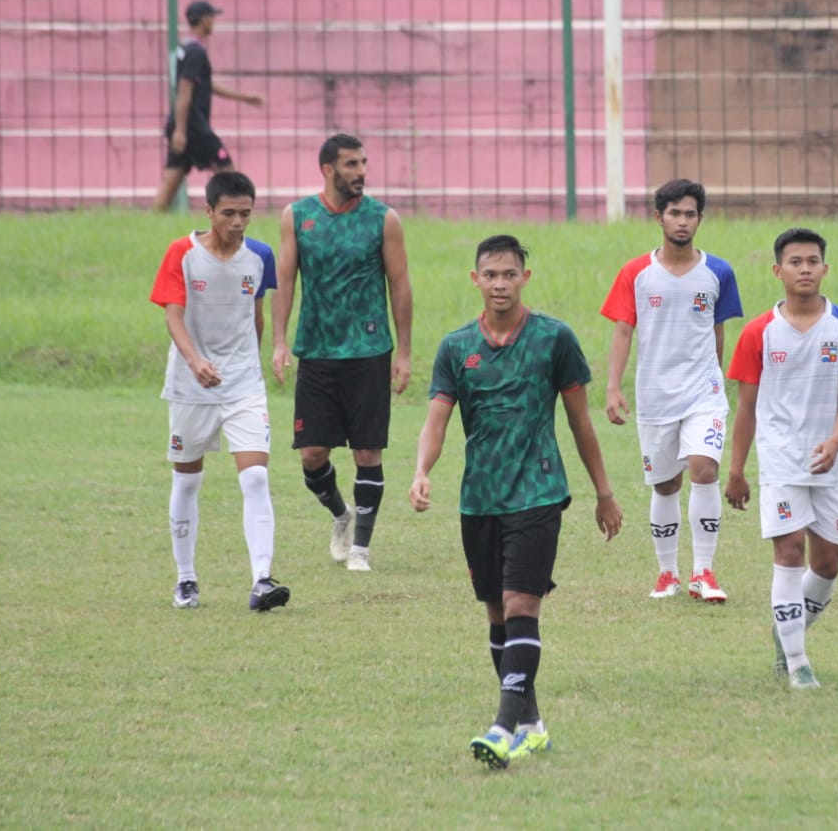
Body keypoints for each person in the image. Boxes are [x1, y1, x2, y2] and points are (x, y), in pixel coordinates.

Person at [409, 235, 623, 769]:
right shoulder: (456, 347)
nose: (500, 283)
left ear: (525, 278)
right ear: (475, 280)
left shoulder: (555, 339)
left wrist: (603, 493)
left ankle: (502, 730)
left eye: (509, 274)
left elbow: (580, 422)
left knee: (522, 606)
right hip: (479, 499)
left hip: (538, 492)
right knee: (497, 613)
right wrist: (421, 471)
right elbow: (436, 420)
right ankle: (532, 724)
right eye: (491, 274)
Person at [725, 227, 838, 689]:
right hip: (781, 461)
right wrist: (736, 471)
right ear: (778, 271)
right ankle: (797, 663)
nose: (805, 269)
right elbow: (747, 408)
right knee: (789, 550)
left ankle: (786, 628)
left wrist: (835, 442)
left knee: (827, 565)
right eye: (795, 262)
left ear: (825, 268)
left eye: (813, 261)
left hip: (833, 463)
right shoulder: (758, 332)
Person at [271, 133, 413, 572]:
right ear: (328, 170)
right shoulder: (298, 216)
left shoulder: (383, 219)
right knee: (312, 455)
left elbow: (400, 286)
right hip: (316, 352)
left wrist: (404, 352)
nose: (362, 172)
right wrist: (279, 341)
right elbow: (286, 281)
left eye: (364, 163)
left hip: (369, 352)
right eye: (352, 164)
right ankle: (341, 514)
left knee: (367, 453)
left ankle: (360, 550)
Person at [149, 170, 289, 611]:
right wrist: (195, 361)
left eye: (245, 213)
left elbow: (256, 316)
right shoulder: (182, 253)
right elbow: (173, 315)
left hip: (243, 384)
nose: (238, 222)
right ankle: (186, 578)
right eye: (228, 213)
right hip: (191, 385)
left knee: (256, 476)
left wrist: (253, 364)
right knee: (188, 479)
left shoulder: (260, 256)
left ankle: (262, 580)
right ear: (208, 211)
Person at [601, 178, 743, 602]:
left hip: (703, 393)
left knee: (704, 469)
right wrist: (612, 387)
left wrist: (715, 381)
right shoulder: (636, 273)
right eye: (675, 213)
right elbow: (623, 331)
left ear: (700, 219)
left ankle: (704, 572)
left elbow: (717, 331)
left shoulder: (718, 272)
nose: (683, 221)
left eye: (690, 214)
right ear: (658, 217)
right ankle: (668, 573)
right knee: (665, 485)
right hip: (655, 396)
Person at [152, 0, 266, 212]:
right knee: (227, 171)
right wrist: (181, 130)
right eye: (211, 17)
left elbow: (204, 84)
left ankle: (151, 221)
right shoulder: (196, 52)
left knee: (170, 182)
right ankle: (235, 213)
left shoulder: (185, 49)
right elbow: (184, 90)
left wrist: (245, 97)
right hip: (193, 126)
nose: (213, 21)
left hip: (183, 123)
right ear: (203, 20)